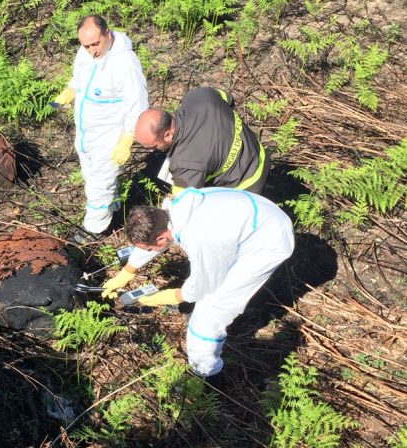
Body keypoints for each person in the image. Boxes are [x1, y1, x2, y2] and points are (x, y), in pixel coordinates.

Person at [101, 187, 294, 378]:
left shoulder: (201, 236)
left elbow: (205, 283)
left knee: (210, 310)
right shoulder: (173, 211)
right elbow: (154, 241)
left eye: (150, 248)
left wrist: (173, 296)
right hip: (257, 218)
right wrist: (128, 271)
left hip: (268, 242)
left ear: (161, 237)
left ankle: (206, 373)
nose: (151, 251)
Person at [50, 15, 148, 242]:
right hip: (86, 135)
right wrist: (68, 93)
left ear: (107, 33)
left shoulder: (125, 64)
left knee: (99, 185)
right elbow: (78, 79)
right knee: (90, 176)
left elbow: (137, 106)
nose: (92, 50)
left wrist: (127, 139)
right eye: (86, 46)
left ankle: (93, 231)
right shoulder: (84, 54)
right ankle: (112, 212)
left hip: (110, 137)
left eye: (96, 44)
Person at [134, 87, 269, 194]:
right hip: (259, 152)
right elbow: (228, 99)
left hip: (247, 183)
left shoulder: (185, 164)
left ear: (168, 134)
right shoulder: (198, 96)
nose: (152, 151)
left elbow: (183, 203)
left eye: (153, 146)